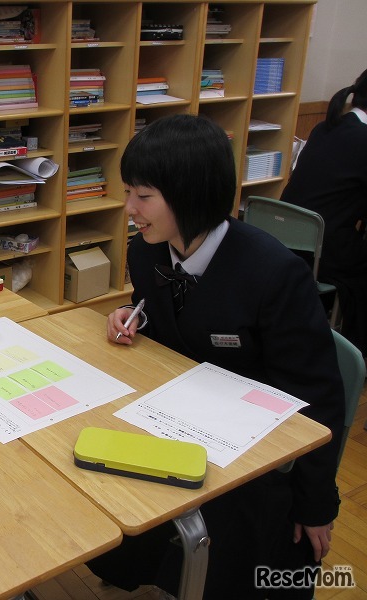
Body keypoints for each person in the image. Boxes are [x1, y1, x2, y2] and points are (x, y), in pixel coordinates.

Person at [90, 115, 345, 599]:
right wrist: (134, 314)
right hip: (181, 417)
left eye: (142, 197)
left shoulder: (273, 274)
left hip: (255, 451)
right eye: (129, 193)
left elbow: (319, 396)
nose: (129, 209)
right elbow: (177, 322)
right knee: (100, 463)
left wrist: (316, 506)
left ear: (190, 194)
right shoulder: (147, 252)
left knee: (235, 545)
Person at [281, 67, 367, 363]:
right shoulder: (362, 139)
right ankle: (356, 354)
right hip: (322, 249)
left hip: (289, 238)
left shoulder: (325, 127)